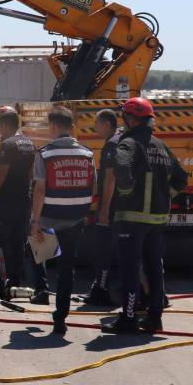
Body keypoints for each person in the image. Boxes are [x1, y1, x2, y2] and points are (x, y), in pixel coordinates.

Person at [101, 97, 187, 334]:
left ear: (130, 119)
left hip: (132, 218)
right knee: (154, 270)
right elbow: (182, 178)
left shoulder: (128, 144)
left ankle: (128, 319)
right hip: (157, 220)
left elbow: (122, 168)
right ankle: (154, 319)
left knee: (130, 269)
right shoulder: (161, 145)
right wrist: (165, 195)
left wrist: (127, 192)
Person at [29, 106, 96, 334]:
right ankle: (61, 317)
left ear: (55, 127)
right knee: (67, 269)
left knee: (38, 255)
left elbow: (39, 190)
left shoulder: (45, 154)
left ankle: (41, 290)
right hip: (75, 219)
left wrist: (35, 222)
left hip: (49, 219)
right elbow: (91, 185)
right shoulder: (87, 154)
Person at [0, 107, 36, 298]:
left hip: (6, 201)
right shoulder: (29, 144)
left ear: (5, 125)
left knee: (2, 241)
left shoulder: (8, 144)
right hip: (24, 199)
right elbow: (31, 173)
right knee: (19, 241)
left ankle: (5, 280)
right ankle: (17, 279)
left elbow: (2, 173)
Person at [84, 108, 122, 306]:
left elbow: (110, 179)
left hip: (112, 206)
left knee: (103, 249)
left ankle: (101, 290)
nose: (95, 128)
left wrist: (104, 208)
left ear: (107, 124)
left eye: (97, 124)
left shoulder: (111, 145)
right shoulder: (123, 138)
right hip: (124, 206)